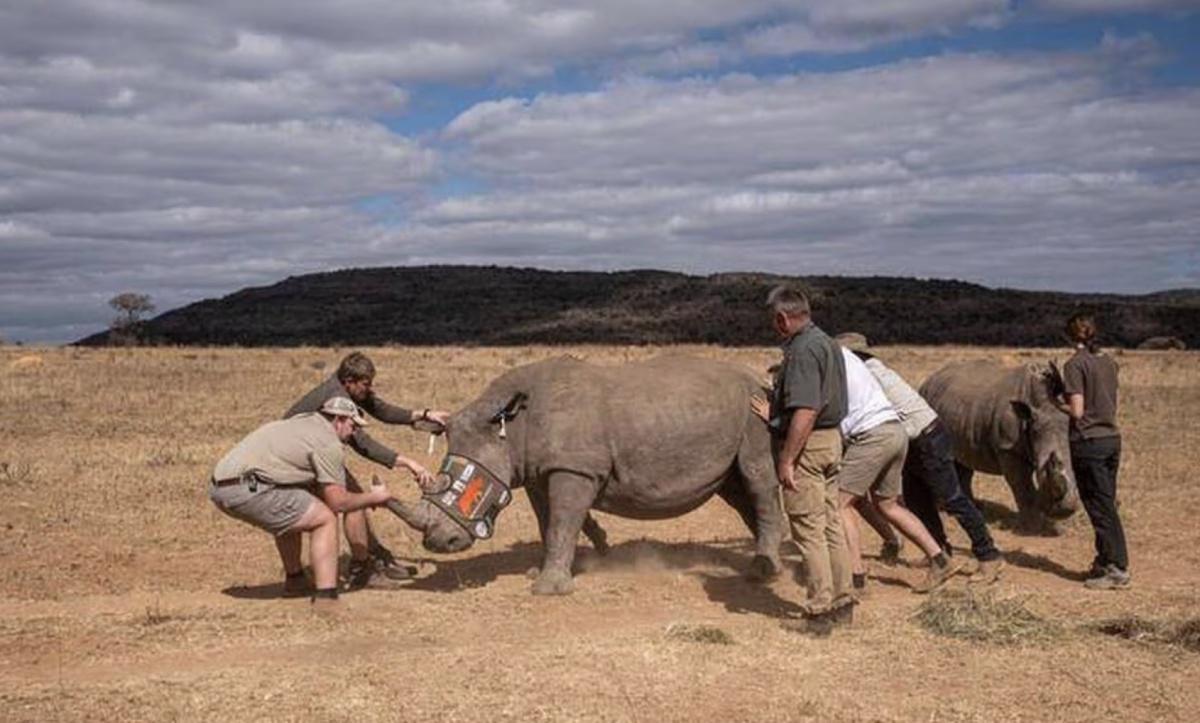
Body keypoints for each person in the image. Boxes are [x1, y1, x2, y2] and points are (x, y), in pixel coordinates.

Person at [836, 335, 1004, 585]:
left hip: (926, 437)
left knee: (952, 499)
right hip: (912, 440)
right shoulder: (873, 370)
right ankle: (940, 555)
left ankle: (989, 555)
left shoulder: (867, 374)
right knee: (918, 501)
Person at [285, 351, 450, 590]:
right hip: (298, 456)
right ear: (349, 381)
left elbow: (381, 409)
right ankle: (363, 568)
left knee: (355, 499)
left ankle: (373, 557)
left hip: (307, 451)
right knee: (354, 502)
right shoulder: (337, 399)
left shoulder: (346, 389)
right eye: (365, 384)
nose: (369, 389)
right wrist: (409, 463)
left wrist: (424, 415)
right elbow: (363, 444)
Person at [209, 397, 393, 608]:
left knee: (296, 506)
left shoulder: (301, 423)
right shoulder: (328, 442)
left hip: (219, 487)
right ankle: (326, 597)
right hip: (249, 489)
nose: (354, 433)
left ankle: (296, 581)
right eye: (353, 425)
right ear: (339, 420)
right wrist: (375, 497)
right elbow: (338, 502)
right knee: (324, 518)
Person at [751, 285, 854, 636]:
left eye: (774, 320)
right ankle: (843, 602)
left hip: (809, 446)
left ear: (783, 318)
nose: (773, 326)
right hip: (832, 441)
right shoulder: (827, 342)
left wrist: (787, 459)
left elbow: (807, 410)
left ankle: (819, 611)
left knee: (808, 531)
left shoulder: (802, 351)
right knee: (828, 525)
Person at [833, 346, 963, 594]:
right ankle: (940, 560)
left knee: (840, 503)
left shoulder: (828, 364)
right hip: (895, 432)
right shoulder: (861, 369)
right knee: (888, 504)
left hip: (871, 437)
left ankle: (855, 578)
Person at [1060, 313, 1129, 590]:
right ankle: (1104, 561)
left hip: (1088, 442)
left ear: (1068, 336)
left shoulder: (1074, 365)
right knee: (1106, 502)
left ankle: (1117, 567)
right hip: (1111, 438)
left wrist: (1057, 402)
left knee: (1101, 508)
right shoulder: (1109, 361)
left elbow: (1077, 411)